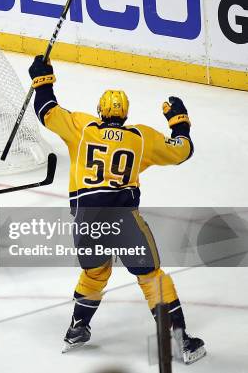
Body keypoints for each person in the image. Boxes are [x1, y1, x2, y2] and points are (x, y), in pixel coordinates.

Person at [28, 55, 205, 363]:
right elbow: (183, 151)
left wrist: (42, 77)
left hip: (85, 221)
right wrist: (179, 121)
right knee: (150, 276)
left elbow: (46, 111)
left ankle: (77, 327)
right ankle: (180, 339)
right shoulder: (141, 138)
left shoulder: (82, 127)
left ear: (100, 111)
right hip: (124, 220)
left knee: (94, 273)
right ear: (125, 114)